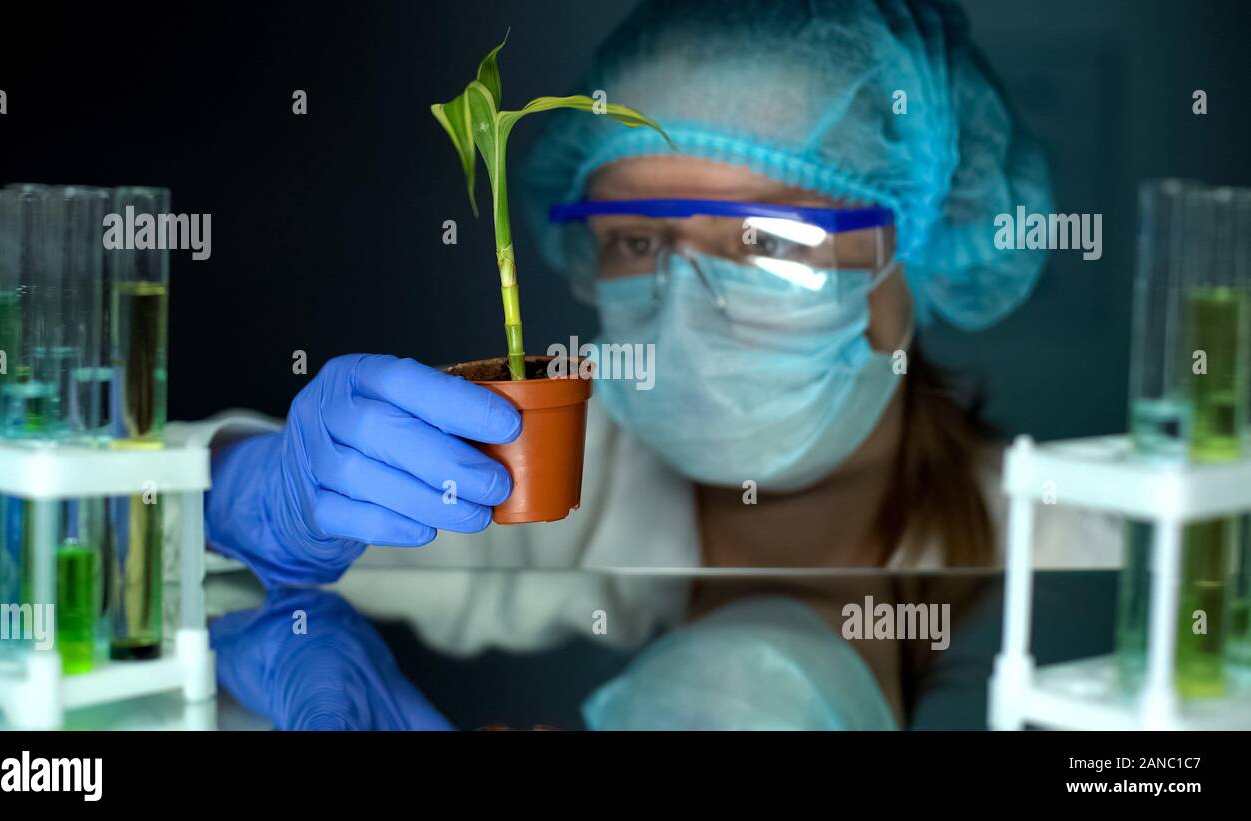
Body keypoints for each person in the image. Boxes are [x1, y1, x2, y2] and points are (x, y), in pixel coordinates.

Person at [183, 0, 1118, 652]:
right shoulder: (542, 492)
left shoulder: (1084, 548)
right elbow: (123, 562)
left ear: (902, 274)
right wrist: (228, 490)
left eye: (765, 234)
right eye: (635, 237)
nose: (682, 297)